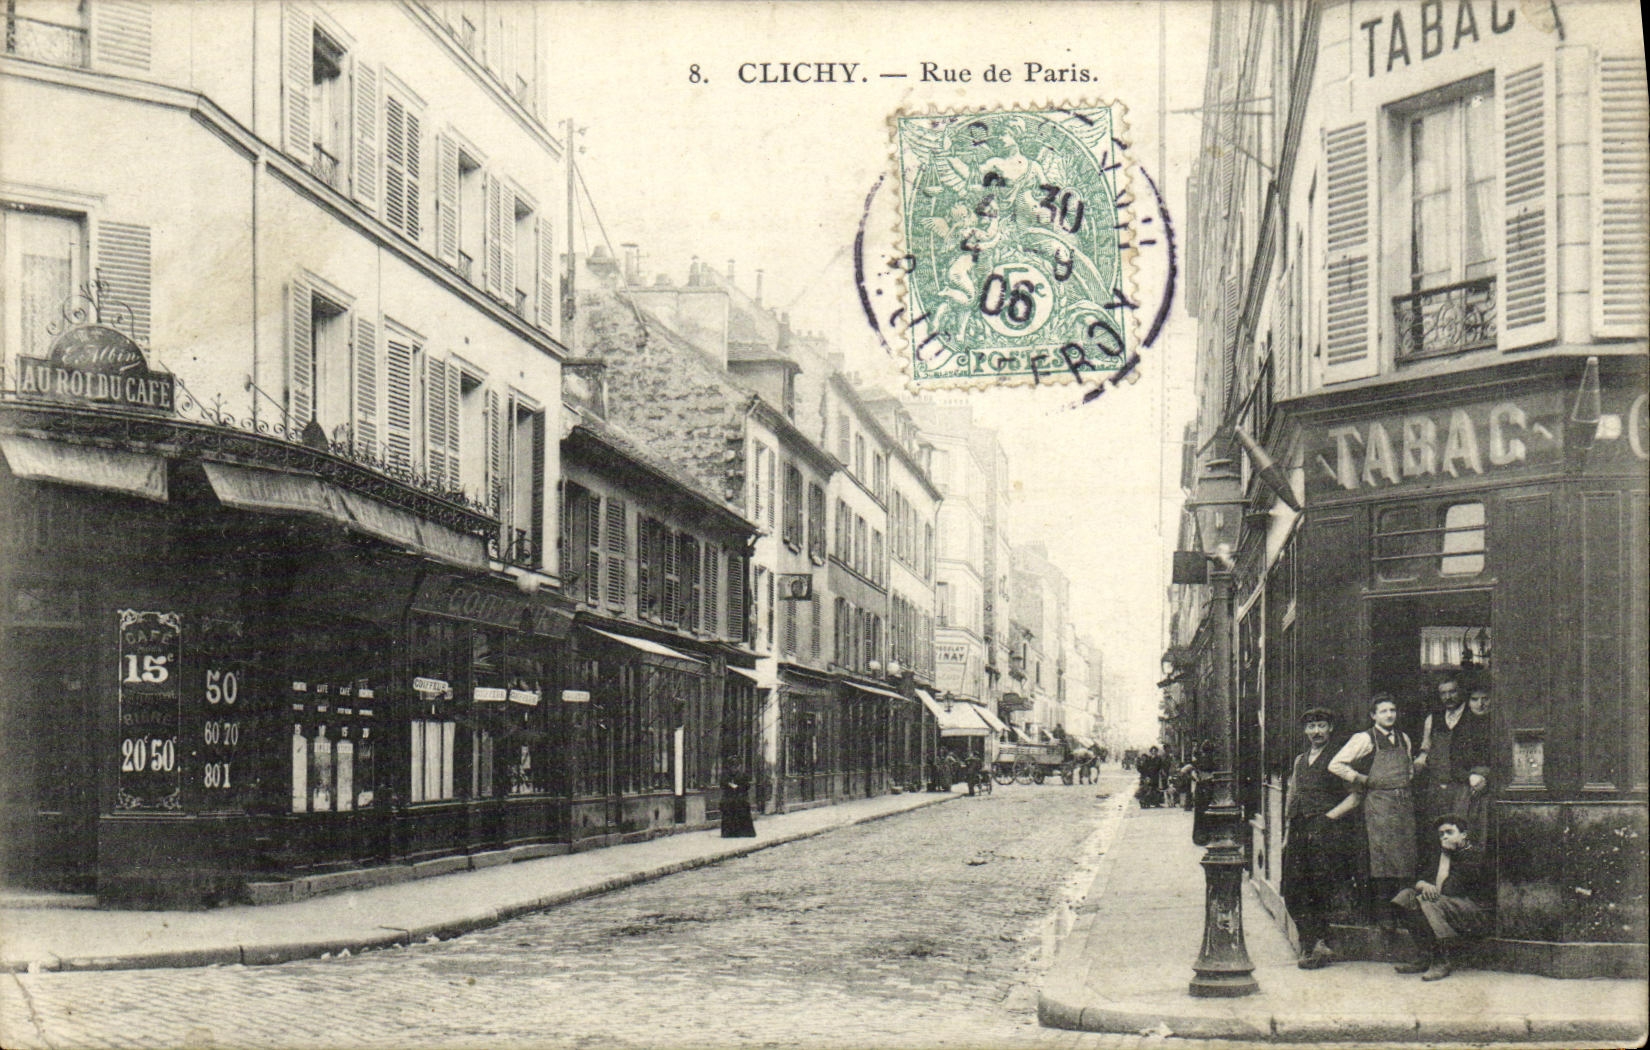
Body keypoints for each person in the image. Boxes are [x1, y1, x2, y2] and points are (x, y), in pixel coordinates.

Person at [1282, 707, 1362, 969]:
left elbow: (1355, 796)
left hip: (1327, 831)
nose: (1316, 731)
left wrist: (1328, 818)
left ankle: (1317, 944)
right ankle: (1311, 941)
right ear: (1305, 730)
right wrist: (1287, 834)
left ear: (1330, 728)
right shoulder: (1300, 760)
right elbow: (1293, 797)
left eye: (1321, 726)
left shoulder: (1338, 759)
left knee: (1320, 886)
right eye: (1311, 727)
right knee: (1293, 888)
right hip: (1299, 829)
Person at [1329, 694, 1418, 926]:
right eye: (1383, 711)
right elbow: (1336, 764)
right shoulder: (1365, 738)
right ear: (1373, 715)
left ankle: (1405, 914)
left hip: (1404, 804)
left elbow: (1409, 768)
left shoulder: (1404, 738)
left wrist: (1402, 782)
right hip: (1378, 805)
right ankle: (1384, 915)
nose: (1389, 715)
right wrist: (1359, 778)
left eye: (1392, 710)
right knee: (1382, 859)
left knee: (1405, 857)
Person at [1392, 815, 1494, 980]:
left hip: (1475, 914)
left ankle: (1442, 960)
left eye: (1449, 832)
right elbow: (1418, 879)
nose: (1444, 837)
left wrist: (1445, 855)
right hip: (1446, 907)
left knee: (1429, 901)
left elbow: (1447, 890)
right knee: (1405, 897)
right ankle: (1425, 955)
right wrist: (1424, 885)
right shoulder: (1439, 853)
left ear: (1463, 835)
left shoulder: (1474, 856)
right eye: (1441, 834)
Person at [1417, 676, 1489, 835]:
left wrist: (1480, 776)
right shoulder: (1432, 719)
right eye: (1443, 693)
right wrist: (1417, 765)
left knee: (1462, 832)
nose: (1448, 697)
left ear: (1461, 691)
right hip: (1438, 788)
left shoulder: (1475, 716)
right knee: (1437, 833)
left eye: (1452, 692)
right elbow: (1425, 751)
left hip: (1464, 788)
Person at [720, 764, 756, 838]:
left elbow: (747, 786)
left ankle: (743, 832)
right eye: (732, 767)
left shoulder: (742, 775)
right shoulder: (726, 775)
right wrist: (728, 785)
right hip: (729, 799)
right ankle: (729, 833)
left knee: (742, 815)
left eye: (735, 767)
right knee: (729, 816)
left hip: (740, 798)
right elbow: (722, 785)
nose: (734, 769)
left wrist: (739, 787)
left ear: (738, 767)